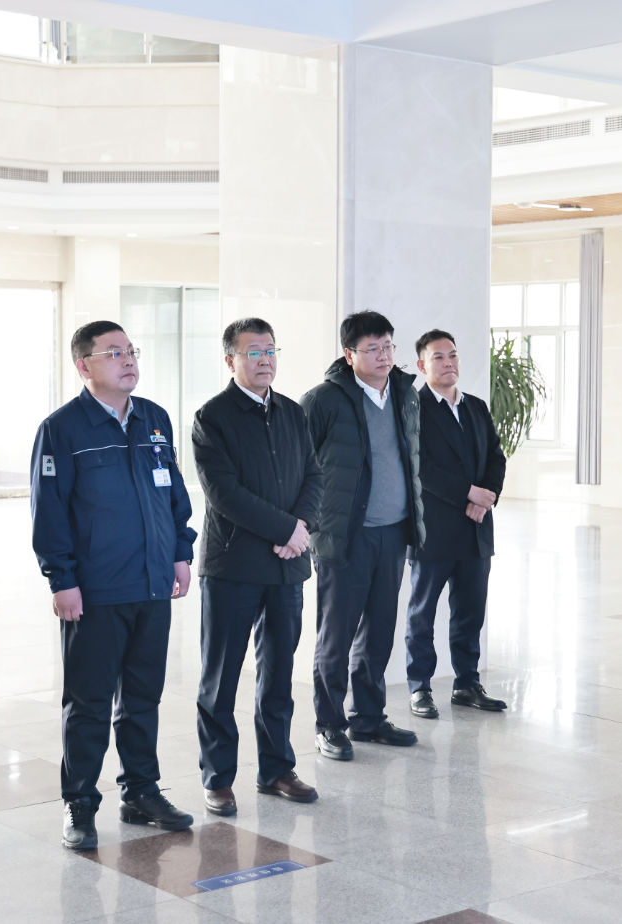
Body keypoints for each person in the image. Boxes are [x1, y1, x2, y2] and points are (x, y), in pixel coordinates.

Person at [31, 320, 197, 852]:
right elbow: (49, 512)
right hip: (96, 590)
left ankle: (141, 791)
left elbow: (174, 493)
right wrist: (61, 579)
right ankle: (79, 803)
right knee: (89, 703)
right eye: (113, 353)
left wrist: (180, 552)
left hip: (152, 584)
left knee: (143, 696)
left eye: (131, 351)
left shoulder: (154, 418)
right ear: (84, 365)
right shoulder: (62, 429)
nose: (128, 360)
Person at [191, 318, 324, 817]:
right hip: (234, 567)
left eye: (270, 350)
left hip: (287, 569)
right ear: (231, 360)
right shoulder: (212, 417)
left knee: (278, 675)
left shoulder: (292, 412)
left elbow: (313, 475)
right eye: (253, 352)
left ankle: (276, 769)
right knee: (221, 678)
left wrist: (301, 527)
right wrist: (285, 530)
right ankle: (218, 778)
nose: (265, 359)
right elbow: (224, 493)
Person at [301, 310, 425, 761]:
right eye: (372, 348)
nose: (383, 355)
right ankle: (329, 724)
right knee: (336, 636)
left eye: (388, 346)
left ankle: (368, 717)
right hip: (343, 536)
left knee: (379, 632)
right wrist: (305, 525)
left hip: (393, 533)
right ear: (349, 354)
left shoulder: (406, 395)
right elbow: (301, 466)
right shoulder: (323, 401)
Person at [405, 330, 508, 718]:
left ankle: (467, 683)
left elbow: (496, 458)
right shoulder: (413, 409)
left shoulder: (476, 407)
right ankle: (419, 687)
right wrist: (469, 494)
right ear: (422, 365)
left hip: (476, 530)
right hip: (434, 531)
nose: (448, 363)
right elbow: (420, 467)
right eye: (438, 357)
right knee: (422, 615)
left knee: (470, 613)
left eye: (453, 355)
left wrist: (487, 496)